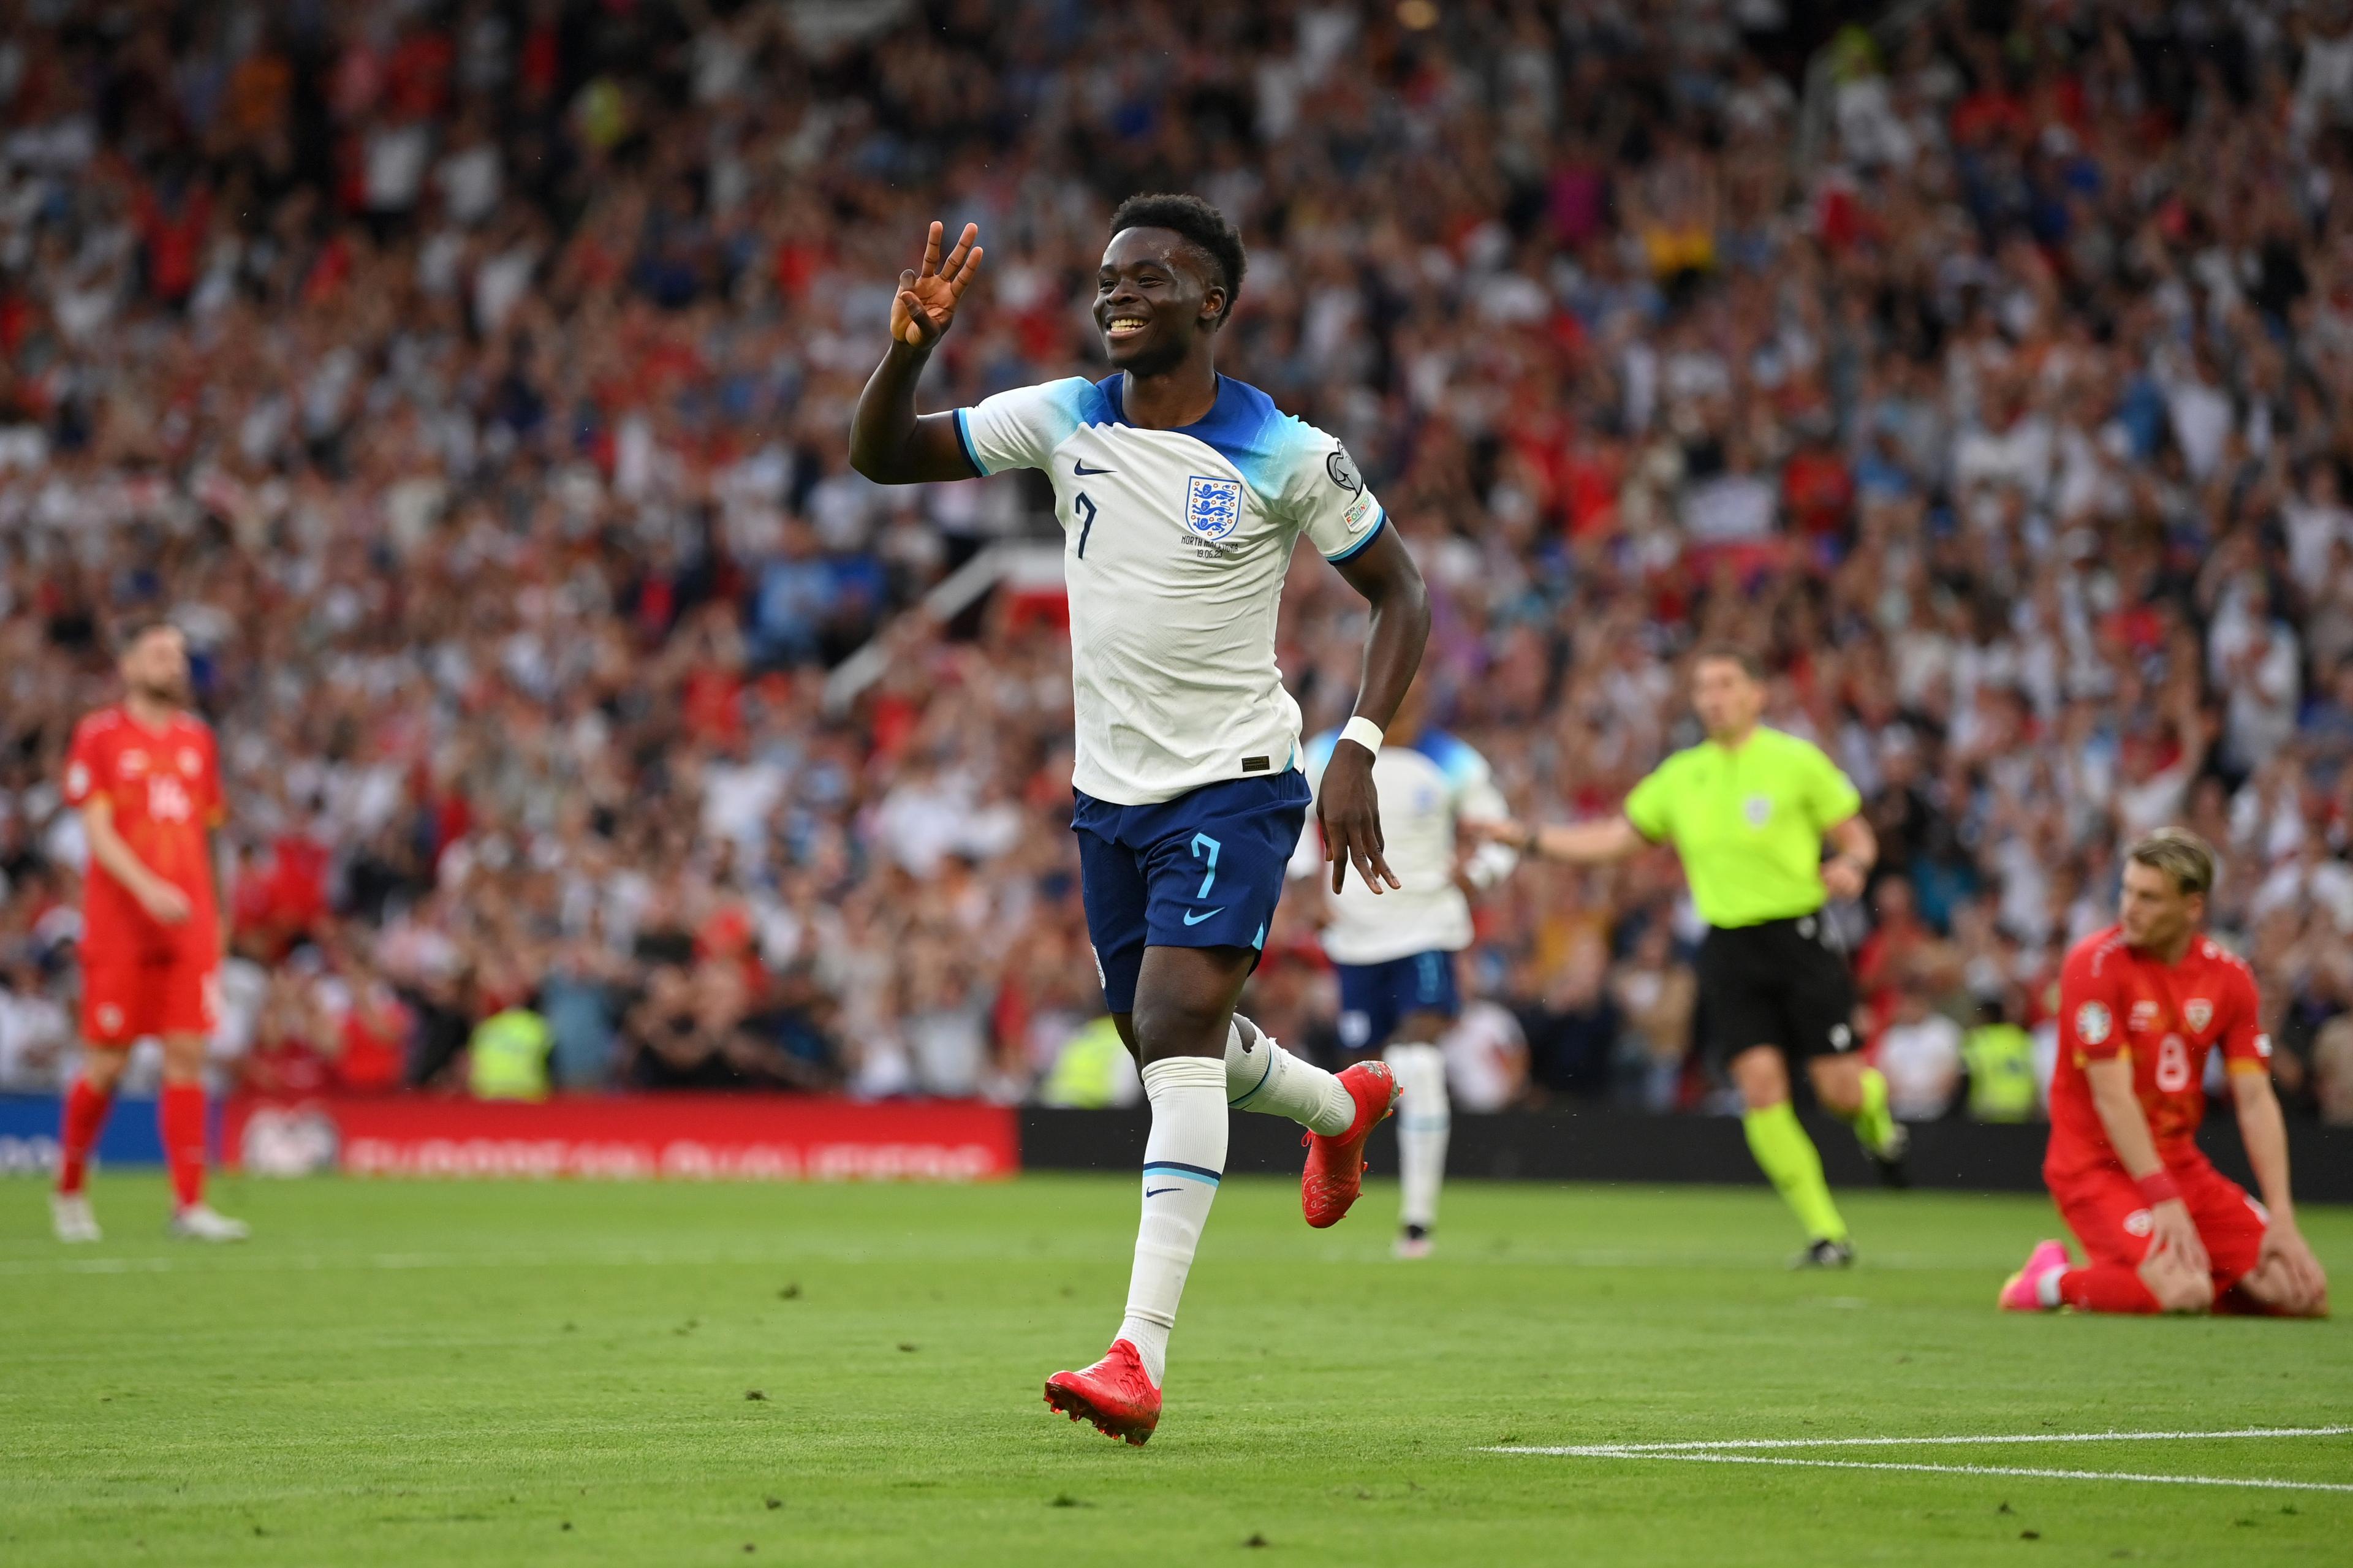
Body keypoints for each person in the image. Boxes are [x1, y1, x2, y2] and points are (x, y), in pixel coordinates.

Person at [850, 195, 1430, 1444]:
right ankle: (1339, 1108)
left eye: (1151, 277)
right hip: (1109, 796)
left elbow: (1401, 591)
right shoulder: (1063, 416)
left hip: (1235, 779)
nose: (1118, 293)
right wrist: (910, 346)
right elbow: (883, 456)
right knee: (1172, 1041)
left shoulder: (1287, 451)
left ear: (1210, 303)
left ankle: (1137, 1354)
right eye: (1110, 276)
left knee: (1172, 1022)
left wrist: (1358, 747)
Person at [1470, 645, 1906, 1266]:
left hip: (1799, 937)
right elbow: (1618, 838)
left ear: (1758, 693)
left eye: (1727, 683)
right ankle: (1826, 1234)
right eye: (1703, 687)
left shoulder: (1795, 762)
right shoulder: (1682, 775)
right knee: (1761, 1089)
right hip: (1729, 945)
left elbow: (1854, 830)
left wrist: (1857, 864)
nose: (1714, 697)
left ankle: (1879, 1124)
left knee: (1839, 1091)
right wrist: (1530, 839)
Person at [1998, 830, 2328, 1317]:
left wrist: (2281, 1214)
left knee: (2300, 1294)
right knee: (2182, 1292)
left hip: (2181, 1163)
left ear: (2193, 908)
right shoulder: (2093, 965)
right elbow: (2114, 1098)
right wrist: (2162, 1198)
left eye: (2148, 897)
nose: (2129, 907)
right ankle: (2047, 1283)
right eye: (2127, 890)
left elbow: (2256, 1100)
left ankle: (2145, 1280)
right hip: (2096, 1167)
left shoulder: (2230, 978)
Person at [1287, 676, 1516, 1258]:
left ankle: (1418, 1222)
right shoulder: (1326, 752)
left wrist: (1480, 874)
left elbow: (1501, 835)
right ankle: (1346, 1174)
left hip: (1426, 932)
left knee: (1419, 1055)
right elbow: (1291, 817)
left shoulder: (1449, 759)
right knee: (1366, 1072)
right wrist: (1308, 886)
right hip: (1356, 941)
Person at [50, 622, 248, 1243]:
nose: (174, 666)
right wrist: (146, 889)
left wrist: (219, 915)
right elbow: (97, 830)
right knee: (108, 1062)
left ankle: (189, 1205)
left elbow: (210, 837)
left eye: (180, 657)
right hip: (121, 925)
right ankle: (71, 1189)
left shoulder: (198, 741)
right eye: (161, 655)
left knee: (187, 1055)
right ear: (128, 663)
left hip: (188, 924)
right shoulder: (100, 736)